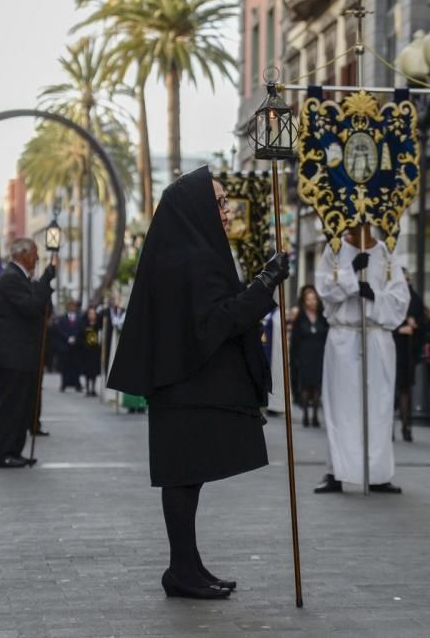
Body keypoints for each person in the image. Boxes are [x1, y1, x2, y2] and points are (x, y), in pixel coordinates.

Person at [107, 166, 289, 599]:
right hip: (186, 387)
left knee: (188, 478)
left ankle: (186, 566)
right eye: (220, 203)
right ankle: (182, 572)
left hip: (188, 386)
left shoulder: (185, 253)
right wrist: (265, 284)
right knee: (182, 477)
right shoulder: (190, 259)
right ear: (197, 208)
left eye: (225, 202)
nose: (227, 211)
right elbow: (218, 321)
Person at [314, 224, 410, 493]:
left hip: (377, 336)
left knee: (378, 407)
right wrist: (351, 273)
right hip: (344, 336)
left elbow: (399, 299)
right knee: (341, 406)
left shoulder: (386, 253)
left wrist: (372, 295)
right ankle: (337, 471)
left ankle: (378, 474)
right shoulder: (334, 251)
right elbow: (324, 289)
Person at [0, 238, 55, 468]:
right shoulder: (10, 279)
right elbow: (30, 307)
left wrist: (43, 285)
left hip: (22, 356)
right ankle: (1, 453)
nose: (37, 257)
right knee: (11, 407)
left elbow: (42, 309)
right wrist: (45, 281)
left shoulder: (22, 278)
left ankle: (13, 451)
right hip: (11, 355)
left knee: (22, 406)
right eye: (34, 252)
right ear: (21, 254)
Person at [393, 269, 425, 442]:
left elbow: (423, 324)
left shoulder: (415, 300)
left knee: (405, 388)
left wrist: (415, 326)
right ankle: (387, 428)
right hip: (392, 349)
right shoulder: (391, 297)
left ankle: (406, 425)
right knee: (390, 389)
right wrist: (399, 330)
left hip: (408, 351)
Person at [290, 285, 328, 427]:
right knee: (305, 385)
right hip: (304, 355)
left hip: (319, 355)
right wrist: (294, 359)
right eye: (309, 299)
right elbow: (295, 339)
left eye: (314, 299)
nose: (312, 302)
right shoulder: (300, 318)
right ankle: (305, 413)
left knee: (317, 386)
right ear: (304, 301)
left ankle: (315, 415)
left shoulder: (322, 317)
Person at [57, 300, 82, 393]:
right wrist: (68, 338)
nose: (72, 308)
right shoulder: (63, 319)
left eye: (73, 306)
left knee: (76, 366)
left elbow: (80, 329)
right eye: (70, 306)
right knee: (65, 366)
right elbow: (60, 330)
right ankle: (64, 384)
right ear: (67, 307)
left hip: (76, 346)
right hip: (65, 346)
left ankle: (77, 384)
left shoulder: (79, 318)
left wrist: (75, 338)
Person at [79, 305, 102, 396]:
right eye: (90, 313)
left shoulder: (98, 324)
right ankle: (88, 387)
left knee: (94, 370)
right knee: (87, 370)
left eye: (93, 313)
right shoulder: (84, 323)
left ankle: (93, 388)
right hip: (86, 350)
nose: (92, 315)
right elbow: (81, 334)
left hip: (95, 350)